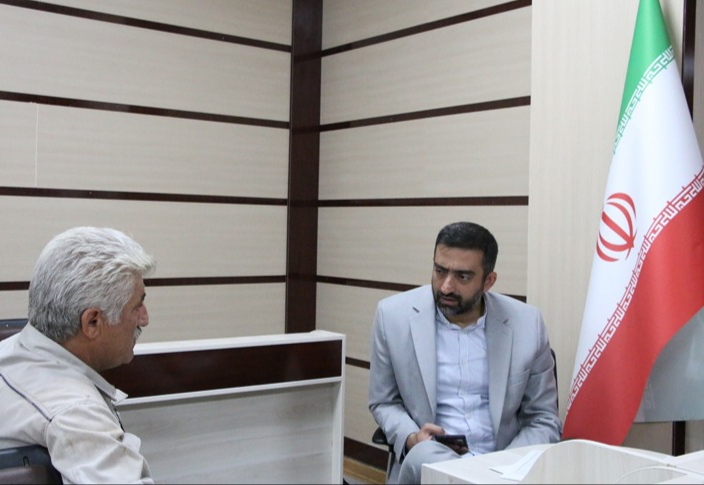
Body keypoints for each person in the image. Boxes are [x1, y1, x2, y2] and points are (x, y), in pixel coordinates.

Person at [368, 221, 562, 484]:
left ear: (488, 281)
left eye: (462, 277)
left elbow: (543, 418)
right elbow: (384, 402)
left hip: (504, 465)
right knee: (425, 454)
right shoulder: (393, 317)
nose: (446, 286)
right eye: (440, 271)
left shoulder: (527, 324)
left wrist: (504, 466)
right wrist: (412, 438)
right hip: (432, 463)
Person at [0, 226, 156, 484]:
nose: (144, 319)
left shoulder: (11, 349)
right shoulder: (75, 414)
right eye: (137, 306)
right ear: (92, 322)